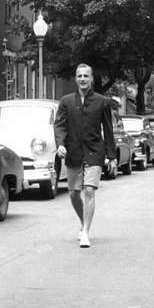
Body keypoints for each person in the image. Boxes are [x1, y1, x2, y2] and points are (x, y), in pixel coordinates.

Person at [54, 63, 117, 248]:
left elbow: (108, 129)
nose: (82, 79)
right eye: (79, 76)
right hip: (73, 151)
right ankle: (83, 223)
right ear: (76, 78)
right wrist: (60, 144)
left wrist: (111, 156)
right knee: (74, 193)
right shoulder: (66, 101)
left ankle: (86, 233)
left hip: (94, 151)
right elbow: (60, 125)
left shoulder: (101, 101)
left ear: (91, 79)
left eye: (86, 76)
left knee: (89, 190)